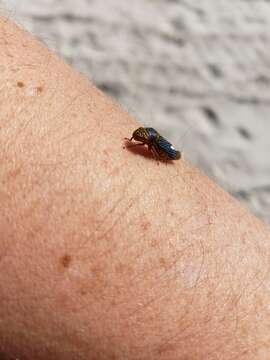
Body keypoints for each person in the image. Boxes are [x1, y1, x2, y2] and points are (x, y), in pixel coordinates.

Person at [0, 15, 269, 360]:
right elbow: (145, 141)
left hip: (165, 150)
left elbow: (156, 147)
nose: (136, 140)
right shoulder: (141, 140)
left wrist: (155, 152)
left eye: (138, 138)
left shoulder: (150, 144)